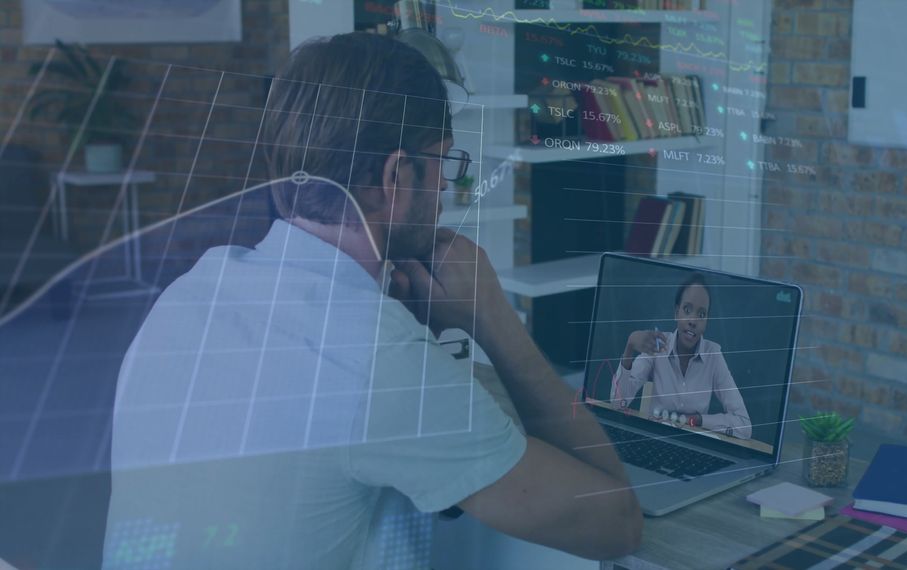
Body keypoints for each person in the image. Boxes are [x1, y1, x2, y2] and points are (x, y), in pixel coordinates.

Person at [106, 32, 640, 568]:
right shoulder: (375, 355)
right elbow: (615, 524)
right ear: (395, 176)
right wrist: (493, 318)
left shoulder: (191, 291)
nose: (445, 191)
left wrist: (409, 333)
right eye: (442, 163)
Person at [611, 273, 752, 439]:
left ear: (706, 321)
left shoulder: (713, 355)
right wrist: (629, 347)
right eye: (687, 310)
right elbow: (617, 404)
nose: (693, 321)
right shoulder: (658, 345)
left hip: (694, 443)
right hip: (653, 438)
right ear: (676, 312)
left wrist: (698, 420)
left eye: (701, 315)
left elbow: (744, 426)